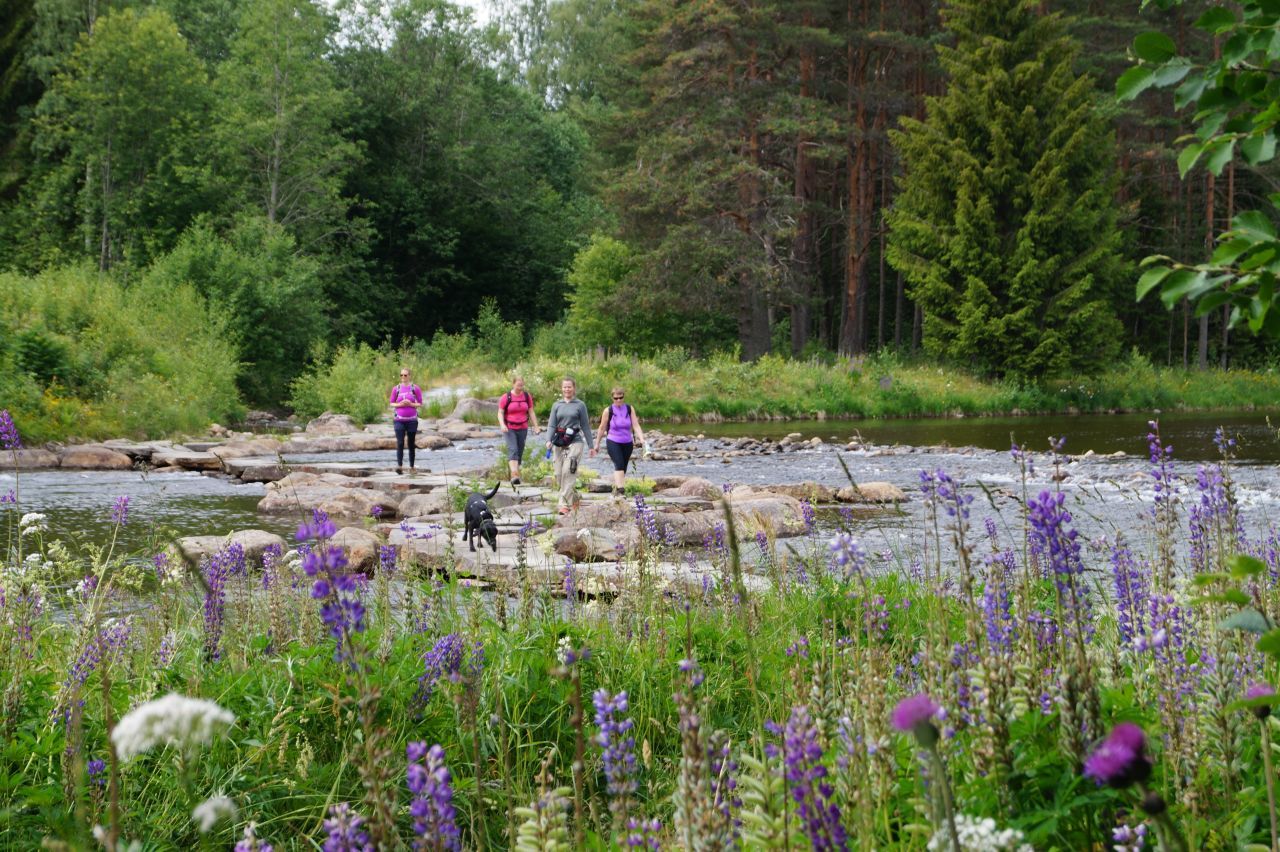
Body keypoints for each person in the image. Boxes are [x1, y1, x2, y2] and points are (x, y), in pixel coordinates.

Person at [545, 376, 591, 515]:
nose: (567, 389)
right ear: (562, 388)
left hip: (575, 441)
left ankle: (564, 505)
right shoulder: (556, 405)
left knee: (568, 471)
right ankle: (575, 498)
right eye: (564, 387)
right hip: (559, 441)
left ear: (574, 388)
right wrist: (548, 440)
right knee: (559, 474)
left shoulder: (580, 405)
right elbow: (552, 424)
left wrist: (592, 445)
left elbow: (585, 426)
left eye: (569, 387)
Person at [591, 386, 647, 498]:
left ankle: (617, 490)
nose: (618, 400)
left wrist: (642, 439)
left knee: (623, 467)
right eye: (616, 398)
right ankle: (621, 491)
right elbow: (602, 428)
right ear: (612, 398)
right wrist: (597, 444)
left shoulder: (629, 408)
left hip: (627, 442)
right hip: (613, 441)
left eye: (620, 398)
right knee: (619, 464)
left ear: (623, 397)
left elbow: (635, 425)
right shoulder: (608, 411)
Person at [498, 376, 539, 486]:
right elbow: (500, 412)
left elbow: (531, 412)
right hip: (509, 428)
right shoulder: (506, 397)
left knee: (519, 452)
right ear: (513, 384)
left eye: (521, 385)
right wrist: (502, 424)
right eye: (518, 384)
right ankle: (514, 474)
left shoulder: (526, 396)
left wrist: (536, 426)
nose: (520, 387)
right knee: (513, 449)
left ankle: (516, 475)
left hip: (523, 427)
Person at [389, 368, 423, 474]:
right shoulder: (396, 389)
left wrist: (411, 404)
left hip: (412, 420)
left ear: (409, 376)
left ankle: (412, 467)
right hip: (399, 420)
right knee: (400, 442)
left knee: (411, 443)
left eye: (405, 375)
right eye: (401, 375)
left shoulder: (415, 388)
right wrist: (400, 404)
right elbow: (391, 402)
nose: (403, 377)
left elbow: (420, 403)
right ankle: (400, 466)